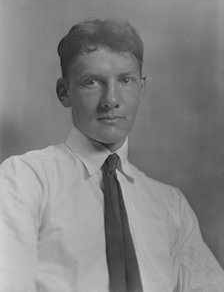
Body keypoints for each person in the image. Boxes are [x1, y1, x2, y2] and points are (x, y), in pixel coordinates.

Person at [0, 18, 223, 292]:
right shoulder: (25, 180)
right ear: (64, 91)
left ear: (142, 88)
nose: (111, 100)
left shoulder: (170, 206)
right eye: (92, 82)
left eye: (126, 80)